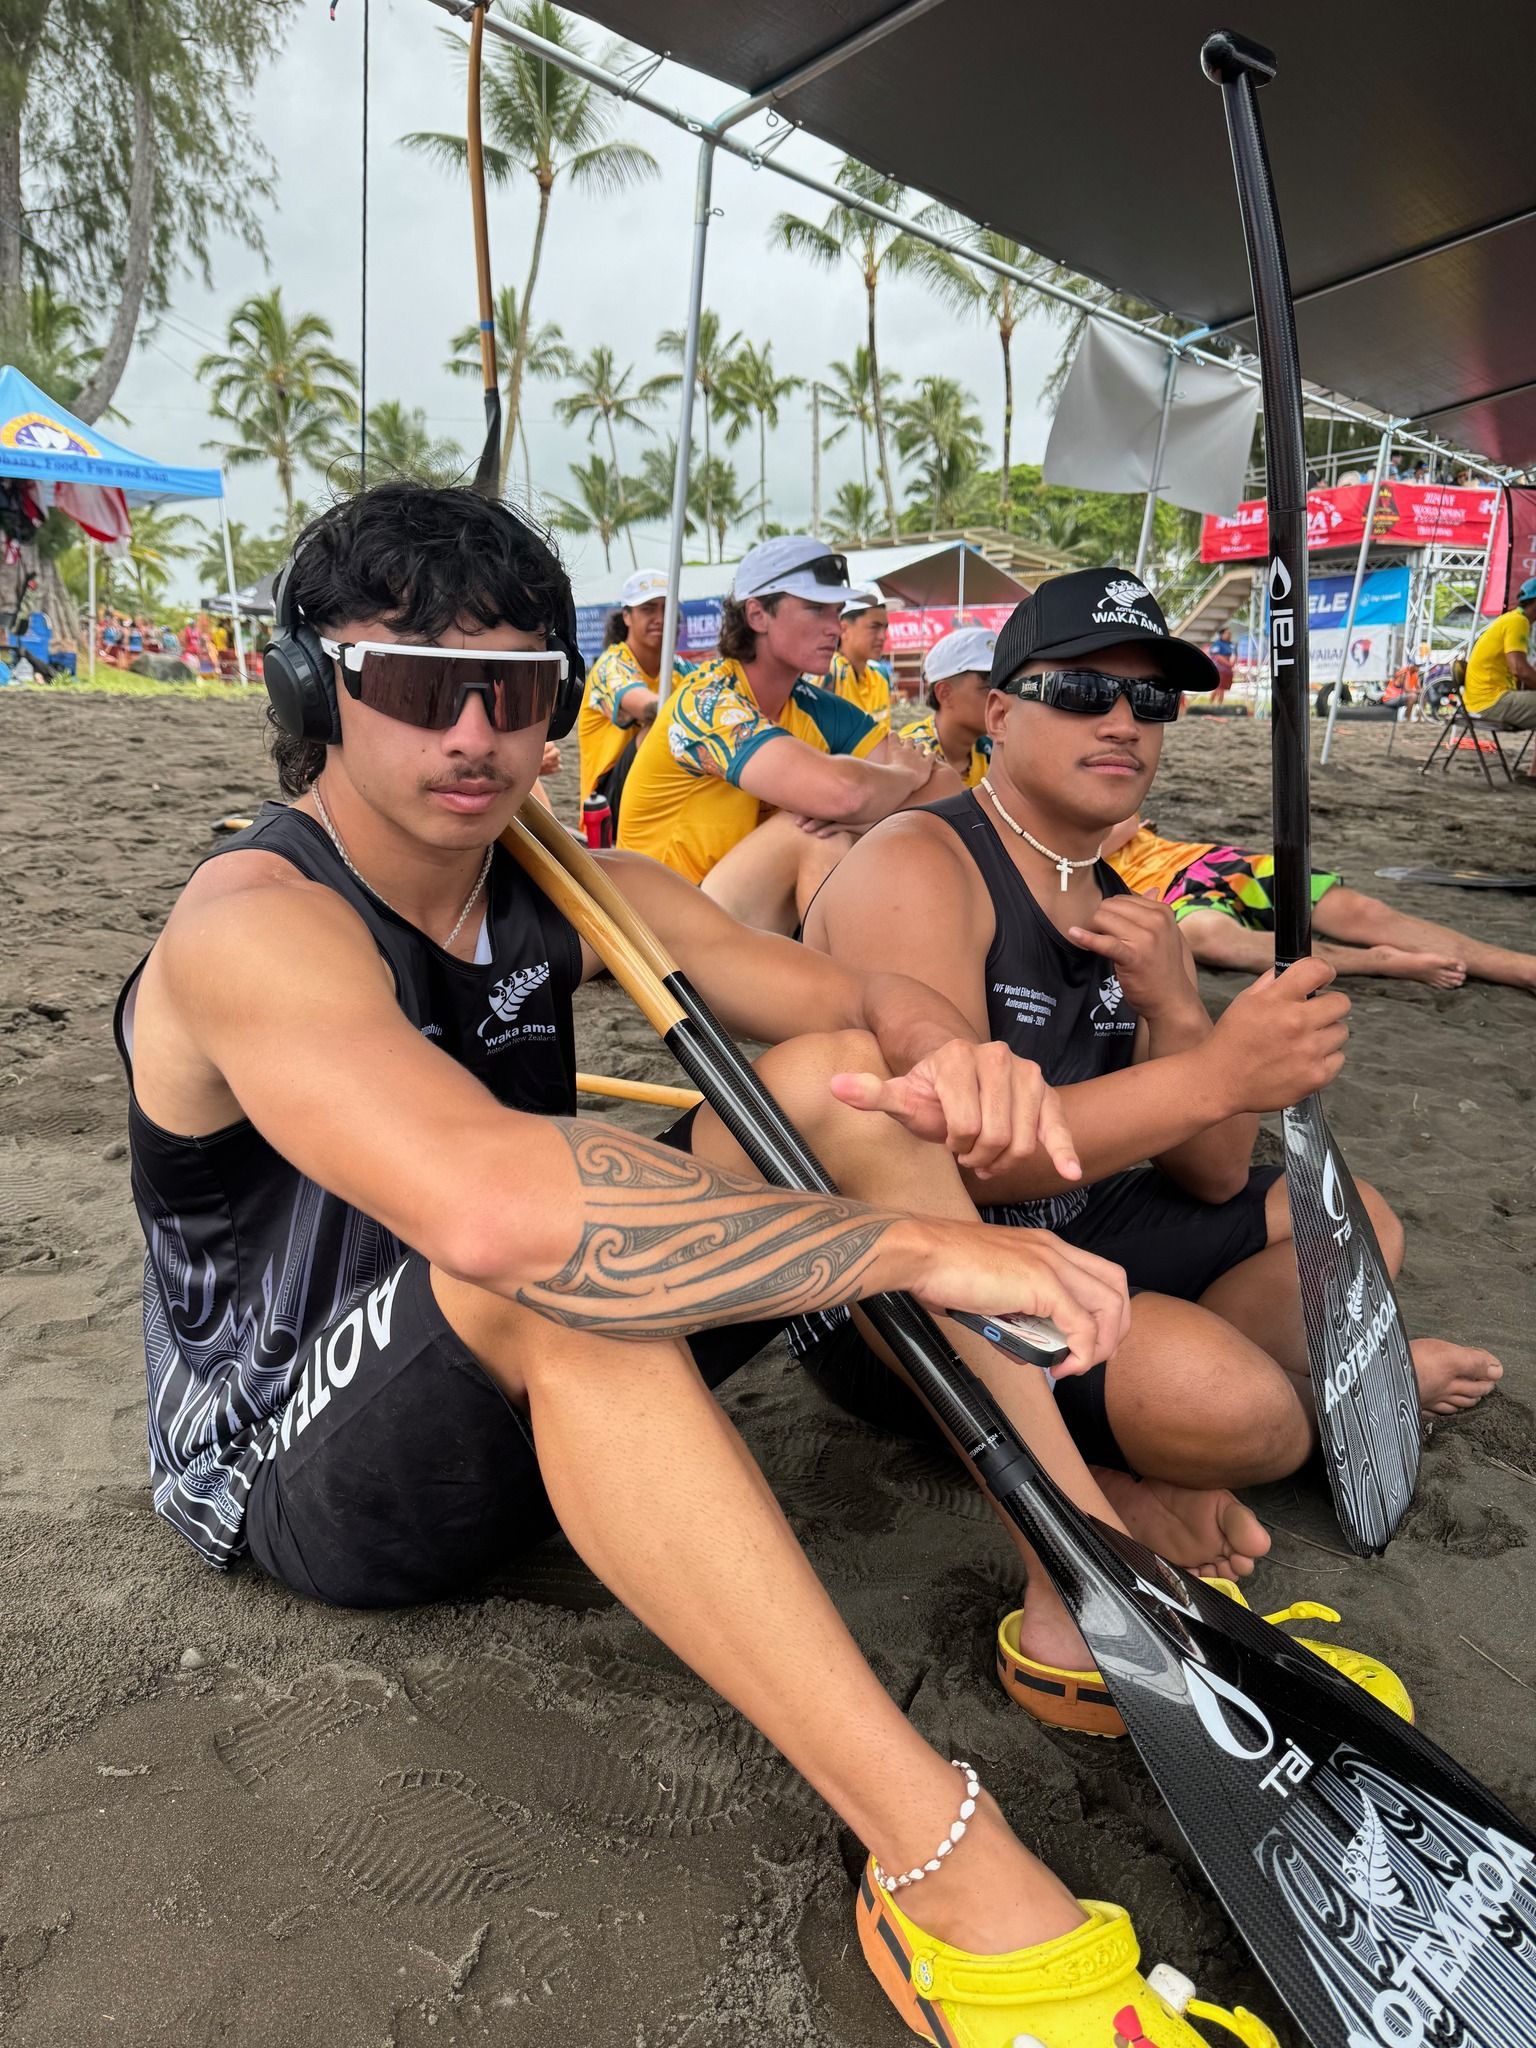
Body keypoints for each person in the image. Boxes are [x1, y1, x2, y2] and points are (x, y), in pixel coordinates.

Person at [114, 481, 1291, 2046]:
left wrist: (943, 1046)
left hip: (519, 1409)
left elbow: (841, 1005)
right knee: (556, 1262)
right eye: (413, 681)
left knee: (833, 1092)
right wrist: (925, 1248)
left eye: (517, 691)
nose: (472, 734)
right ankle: (940, 1860)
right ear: (315, 686)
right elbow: (498, 1216)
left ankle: (1077, 1582)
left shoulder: (551, 878)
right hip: (290, 1469)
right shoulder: (255, 923)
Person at [804, 565, 1501, 1541]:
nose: (1124, 721)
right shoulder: (920, 861)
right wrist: (1215, 1074)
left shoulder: (1120, 900)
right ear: (998, 713)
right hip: (907, 1278)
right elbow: (956, 1159)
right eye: (1083, 690)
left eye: (1153, 700)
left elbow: (1211, 1174)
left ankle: (1201, 1394)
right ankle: (1296, 1407)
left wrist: (1178, 1014)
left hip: (1075, 1219)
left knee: (1356, 1222)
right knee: (1235, 1410)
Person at [618, 537, 959, 932]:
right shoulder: (707, 702)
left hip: (733, 917)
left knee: (851, 830)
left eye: (837, 611)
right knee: (813, 833)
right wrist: (901, 778)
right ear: (757, 615)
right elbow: (844, 794)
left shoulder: (811, 704)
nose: (834, 627)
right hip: (653, 931)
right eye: (816, 608)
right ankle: (852, 967)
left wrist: (860, 819)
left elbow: (948, 788)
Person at [1106, 816, 1536, 991]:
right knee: (1210, 941)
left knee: (1363, 913)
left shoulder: (1088, 797)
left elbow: (1124, 820)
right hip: (1167, 898)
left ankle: (1521, 968)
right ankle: (1379, 961)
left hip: (1207, 861)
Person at [576, 566, 689, 820]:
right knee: (662, 723)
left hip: (654, 781)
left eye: (667, 609)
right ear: (627, 616)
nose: (660, 618)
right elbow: (651, 709)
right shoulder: (610, 666)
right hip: (607, 799)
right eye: (648, 609)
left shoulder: (679, 668)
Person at [898, 625, 996, 786]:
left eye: (1003, 687)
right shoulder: (913, 755)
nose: (1000, 698)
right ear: (945, 693)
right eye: (988, 688)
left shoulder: (989, 751)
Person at [1461, 574, 1536, 781]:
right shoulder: (1518, 622)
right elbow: (1519, 669)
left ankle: (1534, 773)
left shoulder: (1512, 620)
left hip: (1483, 699)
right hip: (1490, 700)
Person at [826, 582, 893, 733]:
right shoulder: (830, 672)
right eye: (874, 627)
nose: (883, 636)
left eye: (885, 628)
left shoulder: (880, 675)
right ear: (844, 629)